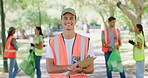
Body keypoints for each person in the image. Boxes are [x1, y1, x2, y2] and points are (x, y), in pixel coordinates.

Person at [46, 8, 95, 78]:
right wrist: (70, 67)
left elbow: (91, 69)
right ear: (61, 21)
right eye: (65, 18)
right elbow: (49, 68)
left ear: (75, 21)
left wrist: (81, 70)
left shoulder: (86, 41)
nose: (68, 21)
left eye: (71, 18)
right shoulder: (52, 42)